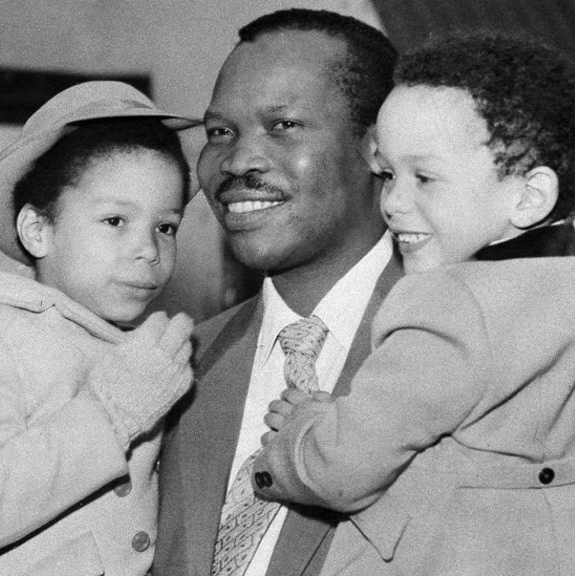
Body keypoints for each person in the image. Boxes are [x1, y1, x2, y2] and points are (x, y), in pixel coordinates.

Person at [253, 32, 575, 576]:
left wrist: (299, 434)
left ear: (528, 196)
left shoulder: (448, 304)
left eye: (424, 178)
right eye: (388, 175)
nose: (394, 202)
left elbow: (341, 468)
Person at [0, 81, 198, 575]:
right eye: (115, 221)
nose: (148, 249)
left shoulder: (153, 354)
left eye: (166, 226)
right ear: (38, 230)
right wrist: (112, 413)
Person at [153, 9, 398, 576]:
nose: (237, 161)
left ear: (378, 147)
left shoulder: (466, 350)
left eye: (282, 124)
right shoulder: (172, 368)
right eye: (220, 132)